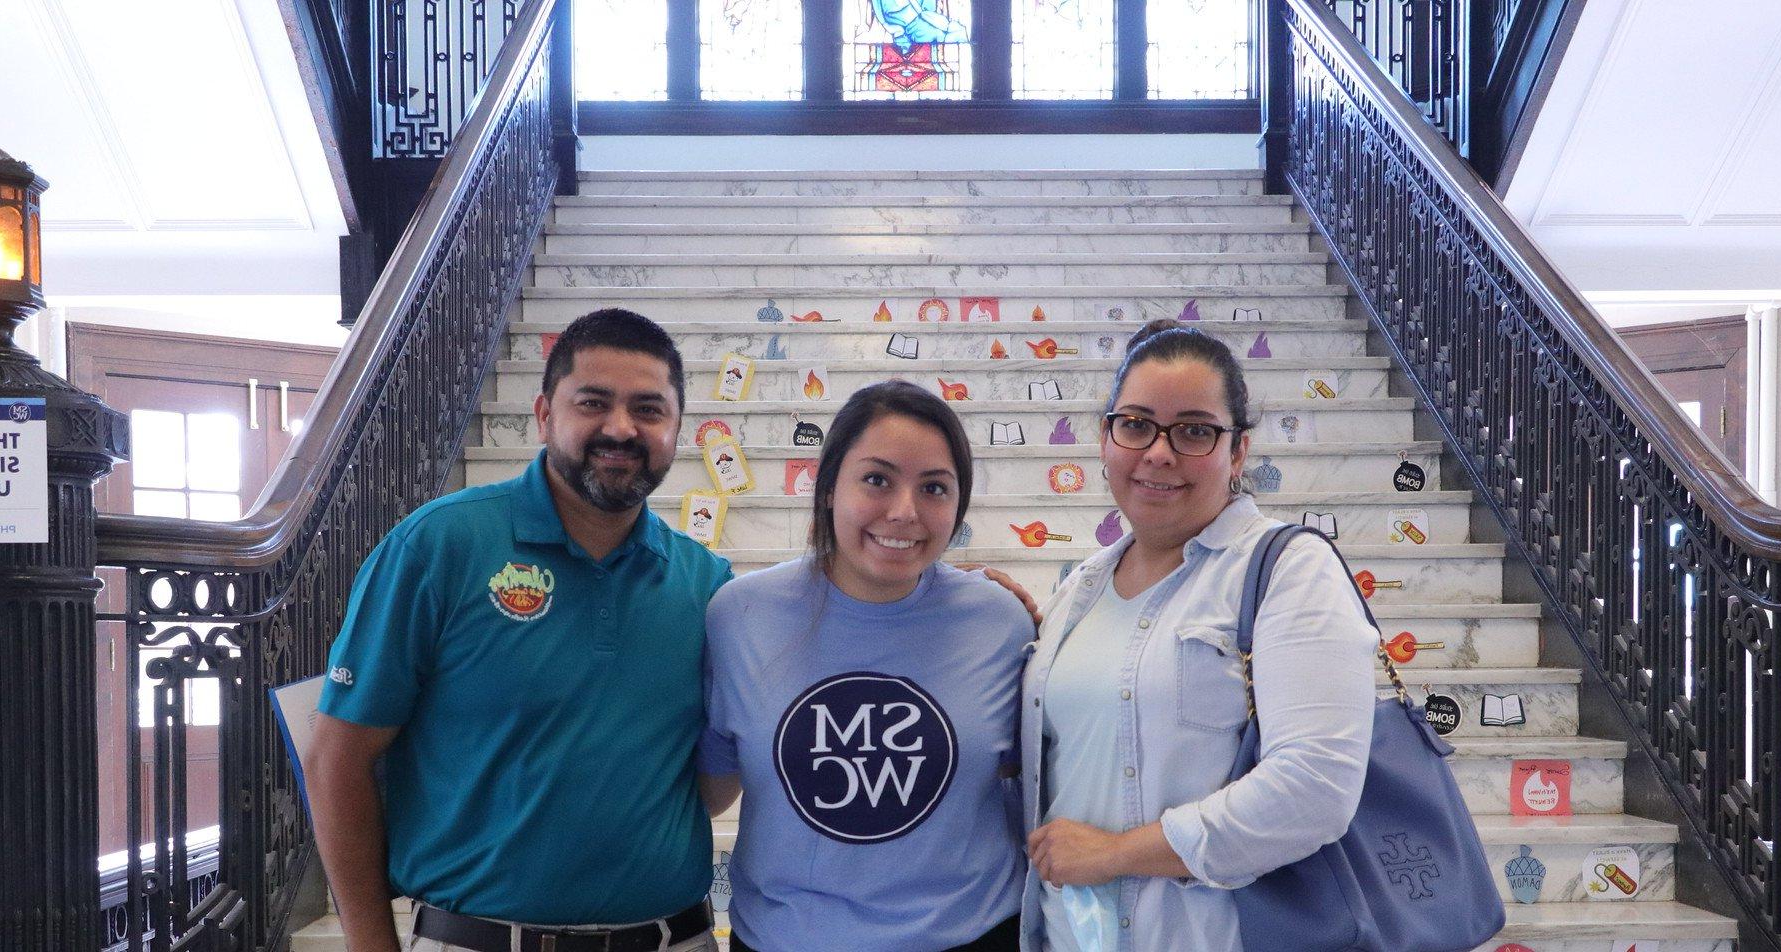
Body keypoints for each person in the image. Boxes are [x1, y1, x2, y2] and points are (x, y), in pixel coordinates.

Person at [306, 309, 727, 952]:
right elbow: (337, 757)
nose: (621, 428)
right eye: (593, 402)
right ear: (543, 414)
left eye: (649, 408)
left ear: (676, 429)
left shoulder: (707, 585)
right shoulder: (439, 547)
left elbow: (712, 783)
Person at [1019, 319, 1380, 951]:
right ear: (1105, 438)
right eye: (1134, 424)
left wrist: (1116, 854)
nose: (1158, 453)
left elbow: (1315, 787)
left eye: (1193, 431)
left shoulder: (1287, 568)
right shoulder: (1081, 588)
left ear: (1237, 451)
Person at [696, 380, 1034, 952]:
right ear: (828, 487)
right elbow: (713, 789)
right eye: (876, 480)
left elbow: (1020, 782)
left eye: (934, 488)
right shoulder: (740, 615)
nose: (904, 513)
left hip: (971, 934)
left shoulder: (1000, 620)